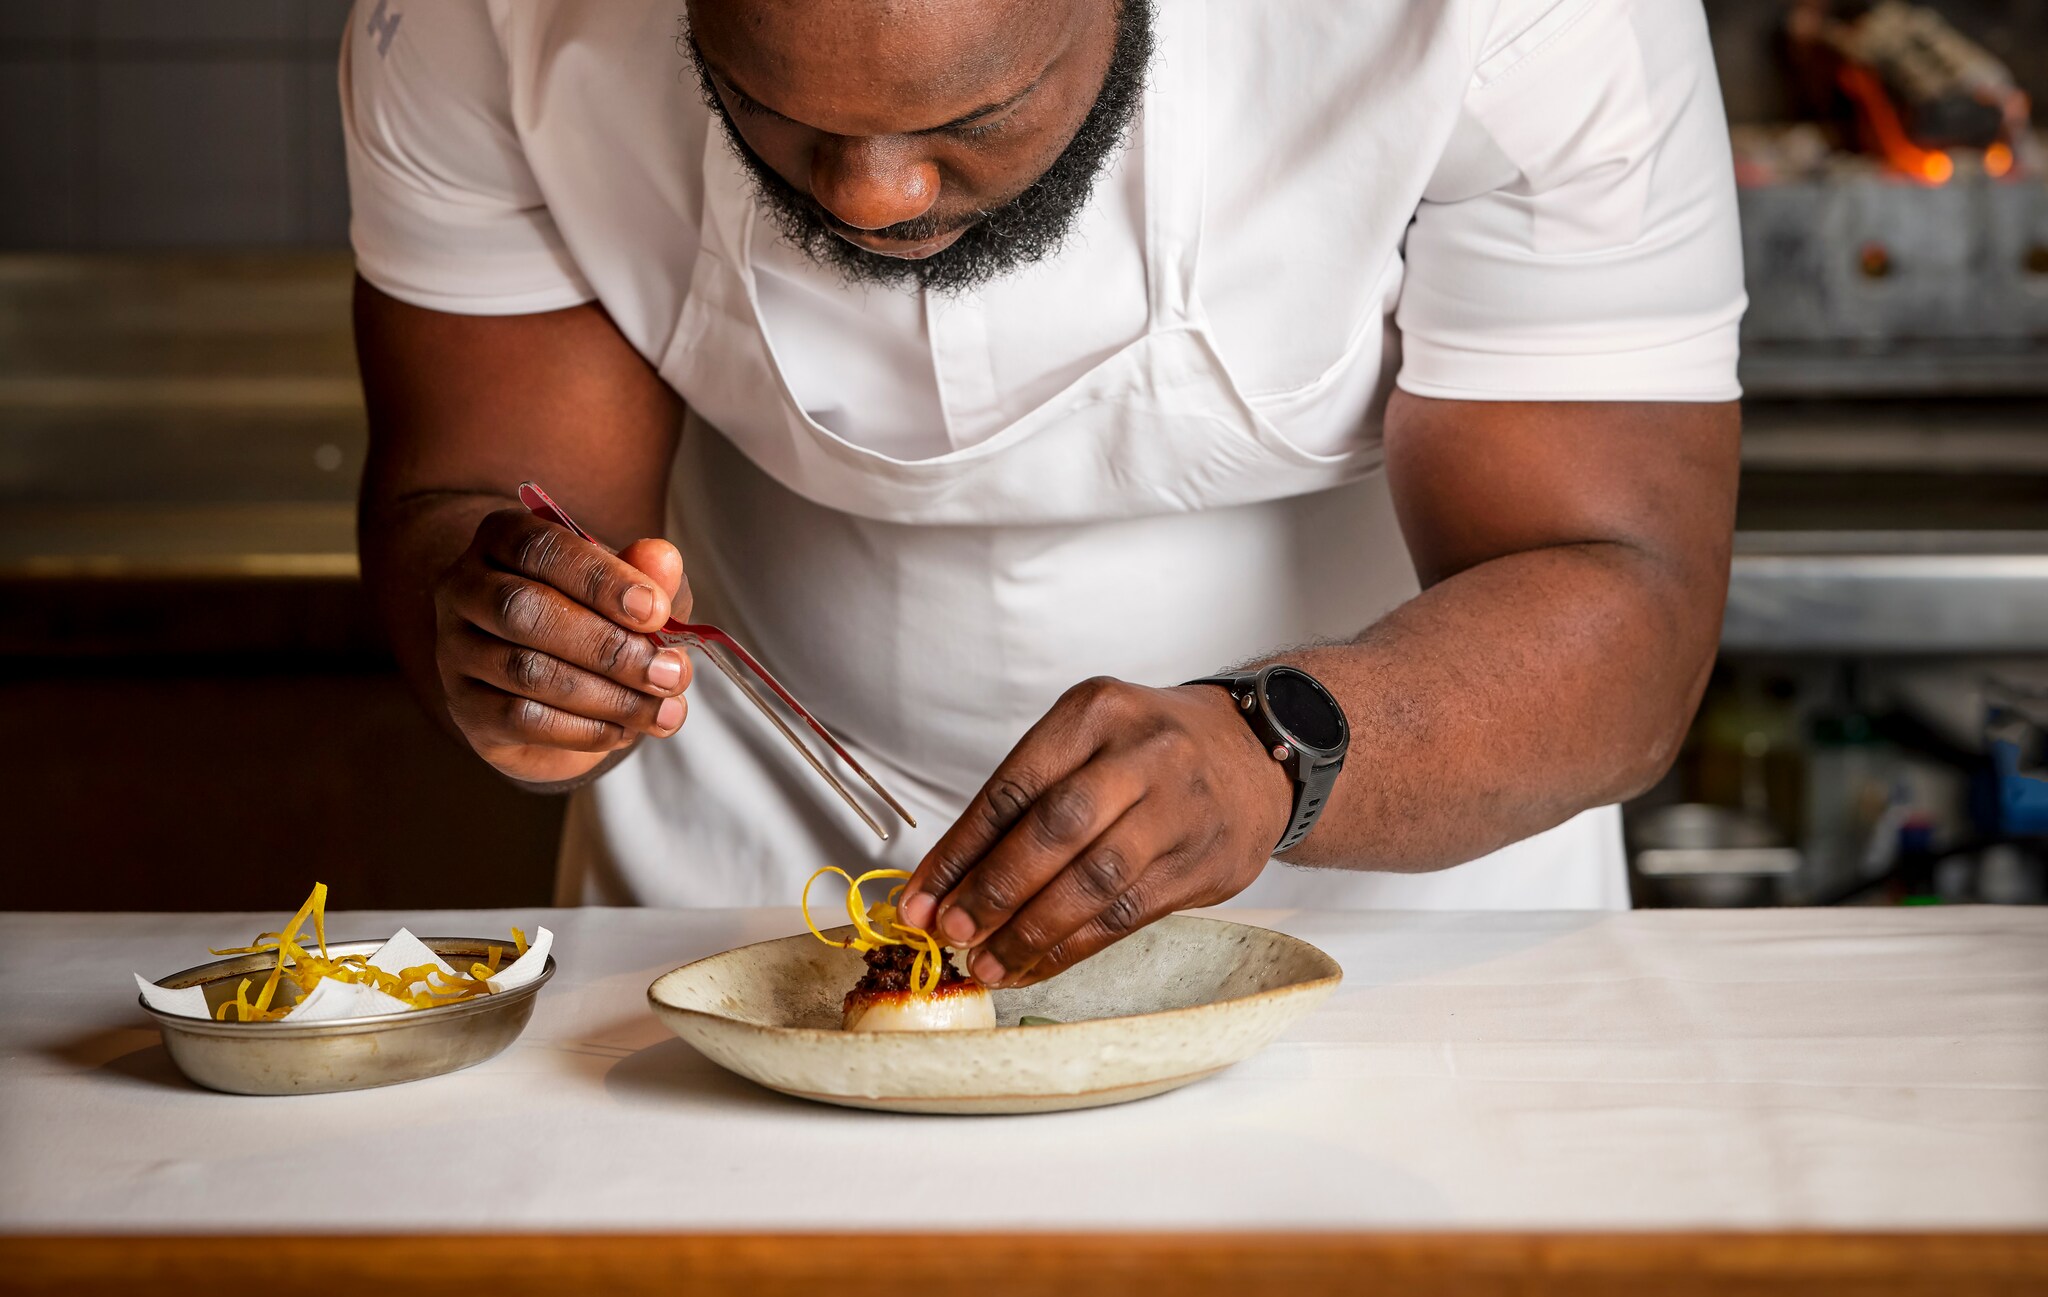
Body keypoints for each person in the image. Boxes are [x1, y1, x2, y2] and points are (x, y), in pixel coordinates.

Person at [344, 0, 1744, 987]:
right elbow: (465, 489)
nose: (878, 197)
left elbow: (1624, 588)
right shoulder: (480, 17)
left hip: (1386, 866)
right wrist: (510, 631)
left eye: (977, 112)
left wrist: (1273, 750)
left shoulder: (1527, 20)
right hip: (754, 879)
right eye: (771, 109)